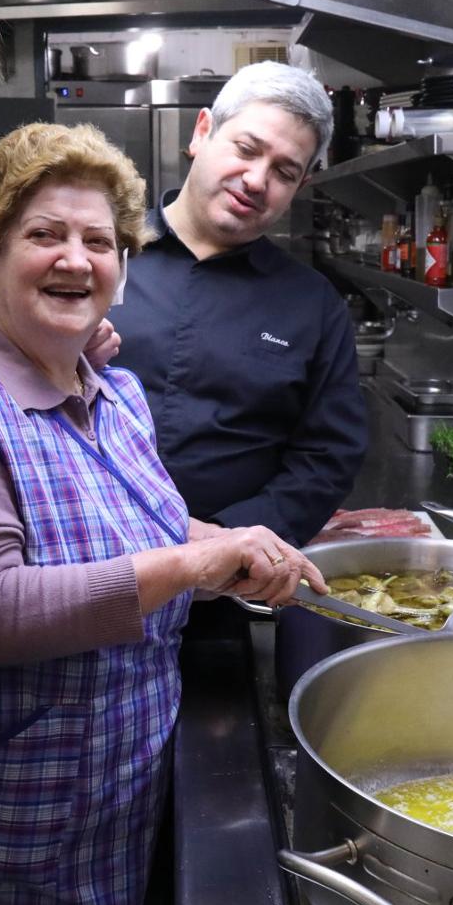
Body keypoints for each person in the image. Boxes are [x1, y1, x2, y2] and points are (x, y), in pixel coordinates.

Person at [0, 121, 322, 905]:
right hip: (11, 836)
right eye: (43, 235)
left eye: (100, 241)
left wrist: (229, 544)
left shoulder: (113, 389)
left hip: (113, 816)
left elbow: (144, 526)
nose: (75, 259)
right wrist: (189, 564)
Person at [109, 61, 368, 551]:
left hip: (227, 588)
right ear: (202, 131)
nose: (255, 180)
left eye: (284, 172)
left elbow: (328, 457)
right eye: (246, 150)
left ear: (300, 187)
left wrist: (224, 541)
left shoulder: (313, 306)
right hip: (76, 562)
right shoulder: (100, 254)